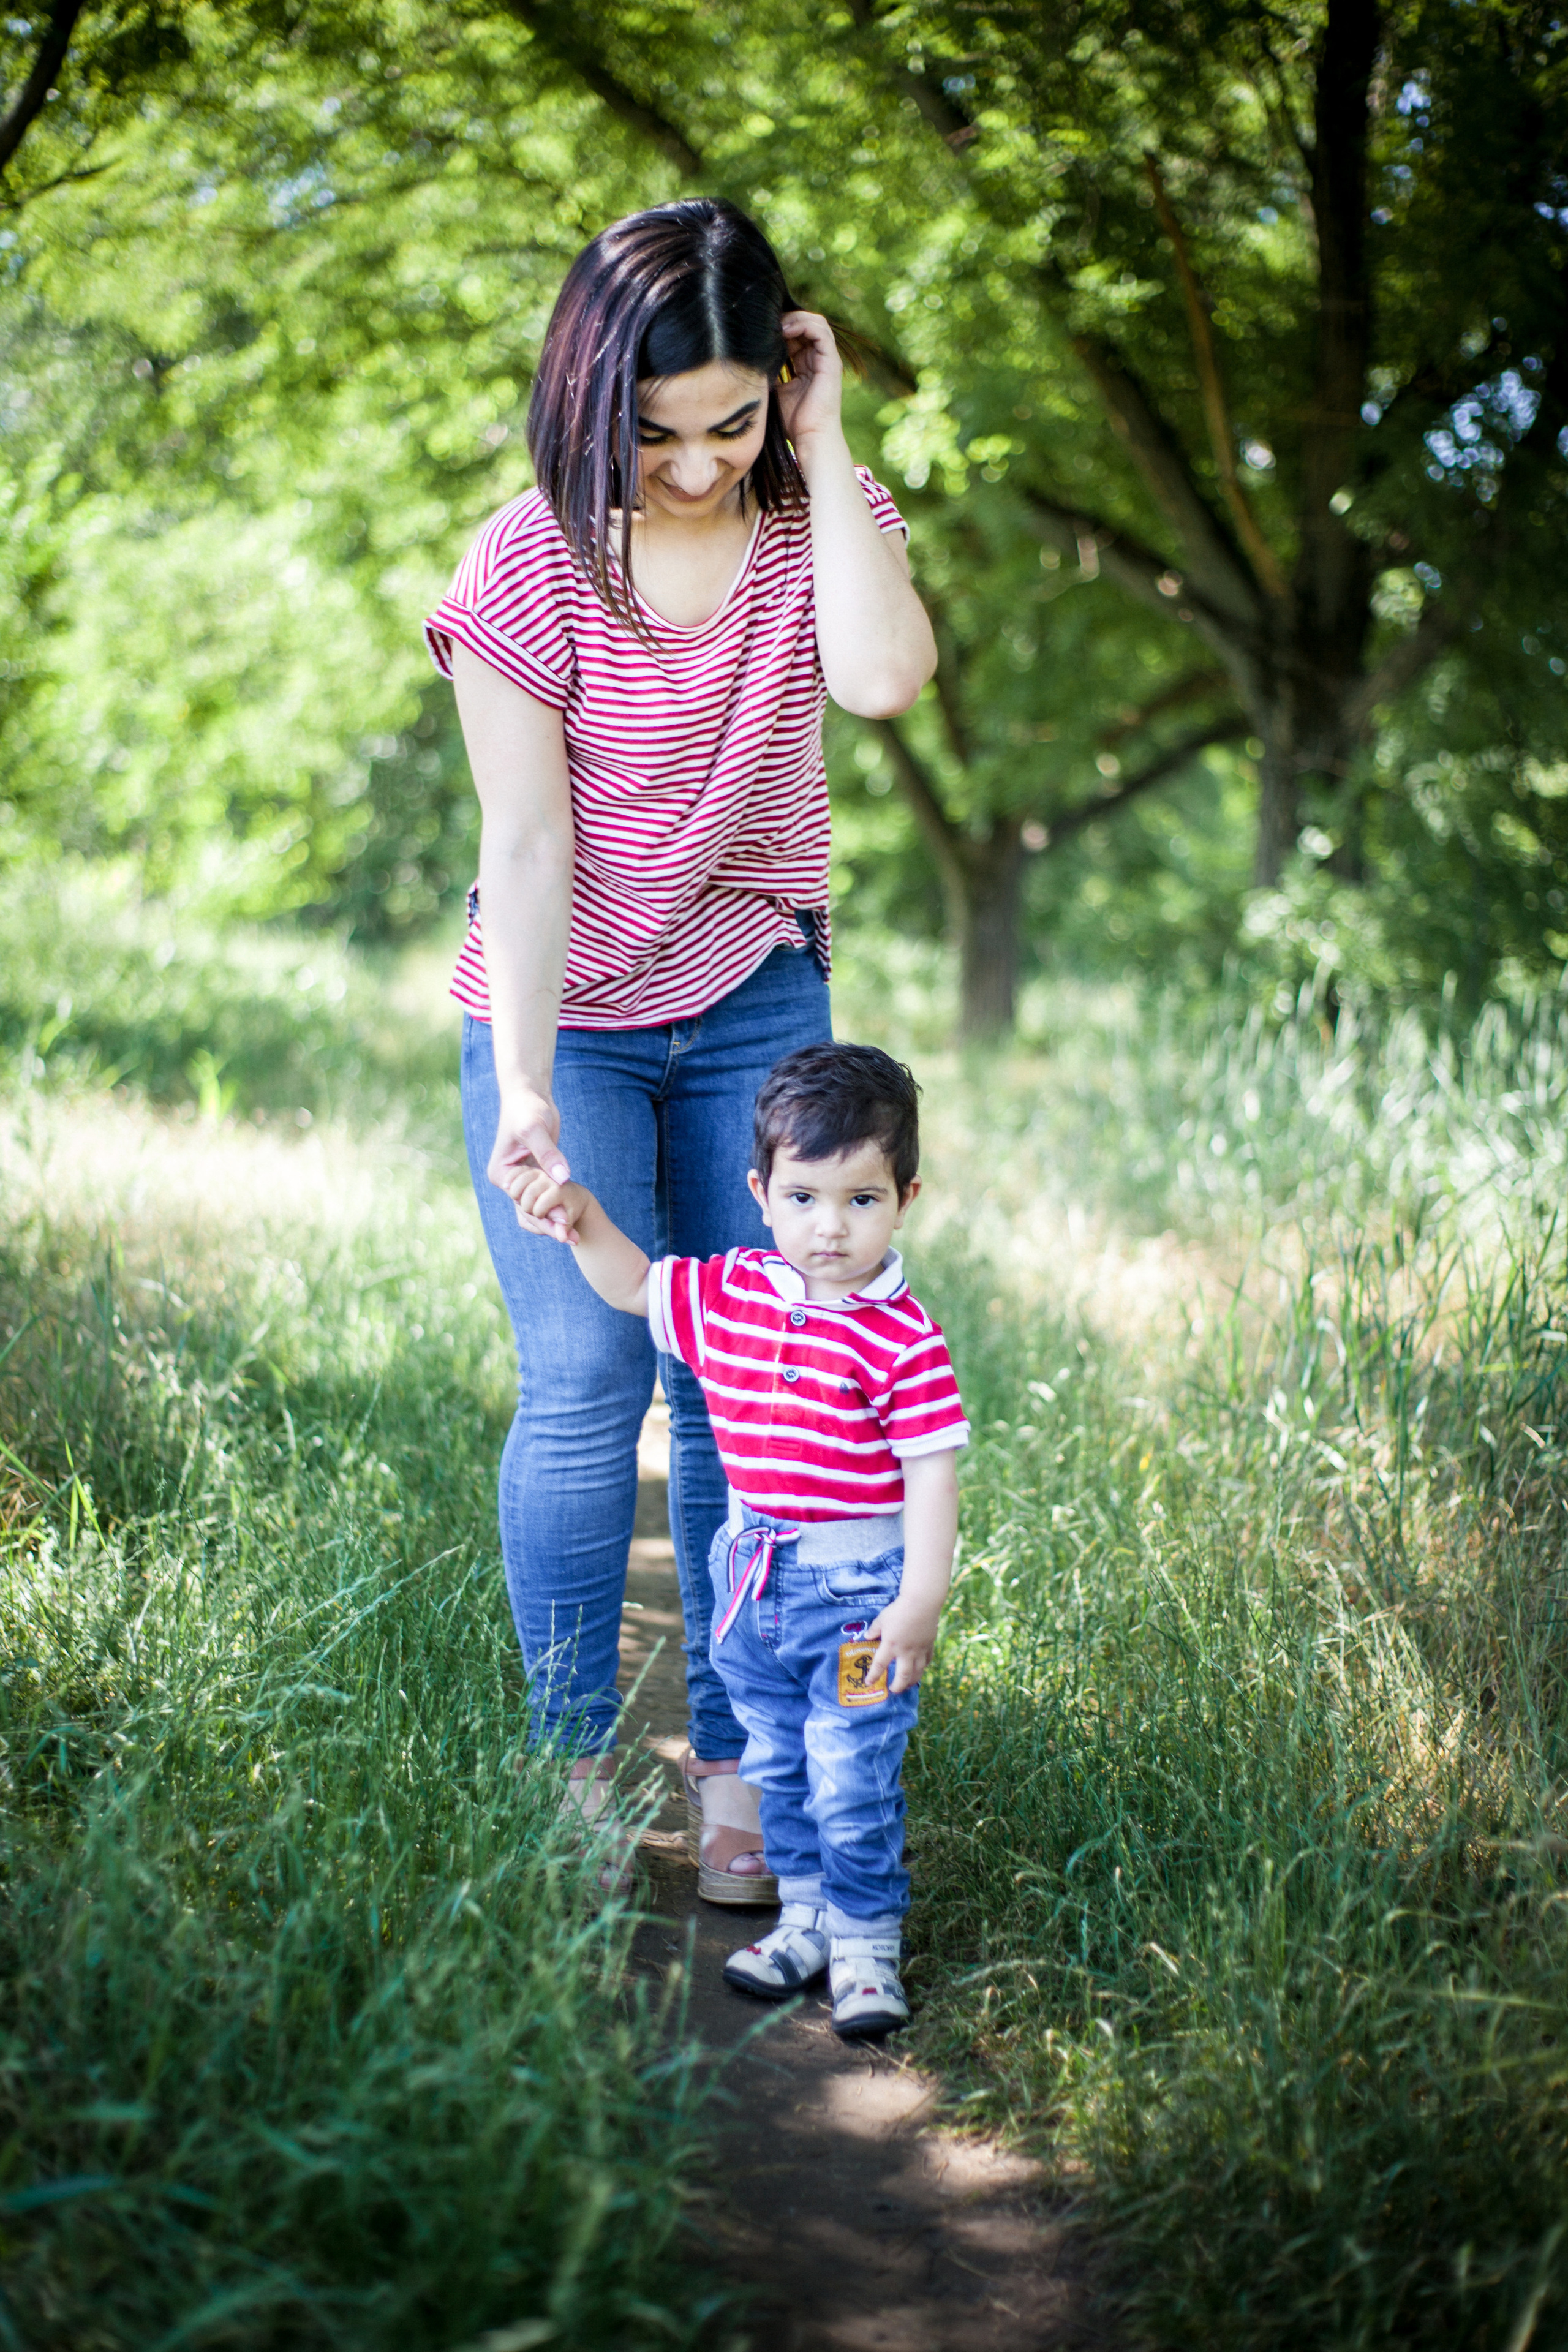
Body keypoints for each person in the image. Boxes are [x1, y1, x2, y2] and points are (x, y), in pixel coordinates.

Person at [424, 198, 938, 1894]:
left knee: (746, 1399)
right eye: (659, 431)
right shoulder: (524, 560)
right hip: (564, 1014)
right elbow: (532, 850)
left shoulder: (816, 522)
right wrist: (521, 1086)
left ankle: (741, 1766)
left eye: (733, 422)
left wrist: (830, 440)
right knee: (583, 1385)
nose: (701, 465)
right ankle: (574, 1760)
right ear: (589, 396)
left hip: (754, 1007)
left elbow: (879, 683)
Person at [509, 1042, 969, 2039]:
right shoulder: (732, 1295)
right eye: (803, 1198)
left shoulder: (902, 1336)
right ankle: (803, 1917)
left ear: (906, 1199)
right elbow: (636, 1286)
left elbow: (933, 1472)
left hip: (859, 1601)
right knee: (781, 1764)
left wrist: (919, 1599)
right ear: (760, 1192)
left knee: (851, 1770)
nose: (830, 1227)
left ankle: (864, 1945)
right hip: (755, 1586)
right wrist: (583, 1217)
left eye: (861, 1200)